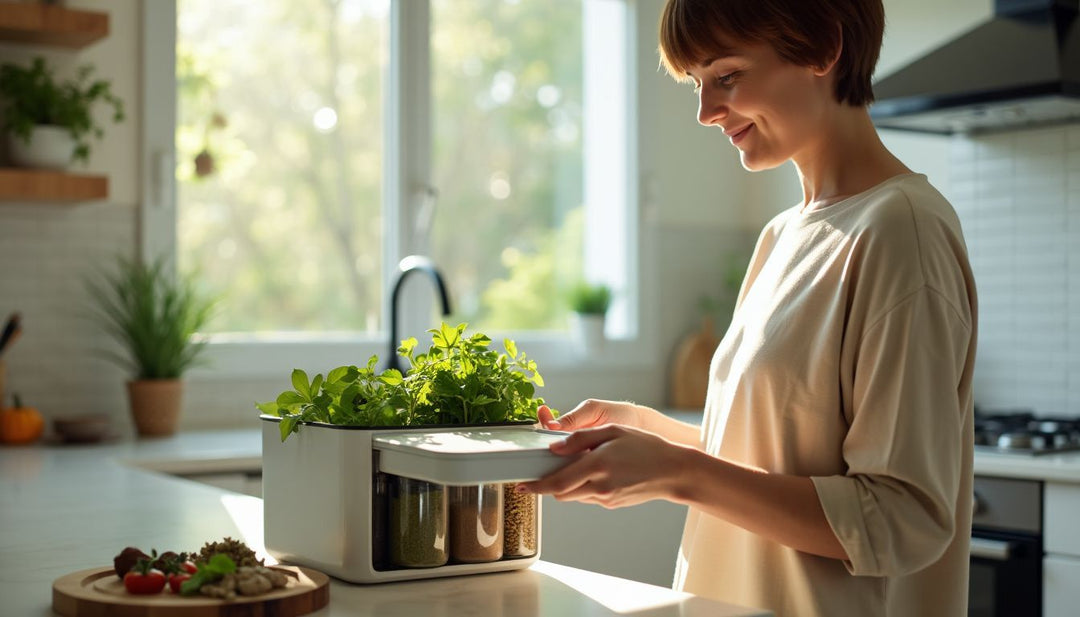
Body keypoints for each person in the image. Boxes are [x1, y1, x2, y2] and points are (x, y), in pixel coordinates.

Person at [518, 1, 978, 616]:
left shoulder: (902, 231)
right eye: (696, 85)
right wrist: (647, 436)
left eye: (727, 77)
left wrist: (679, 472)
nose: (706, 112)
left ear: (822, 49)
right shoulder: (780, 236)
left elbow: (900, 519)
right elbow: (773, 456)